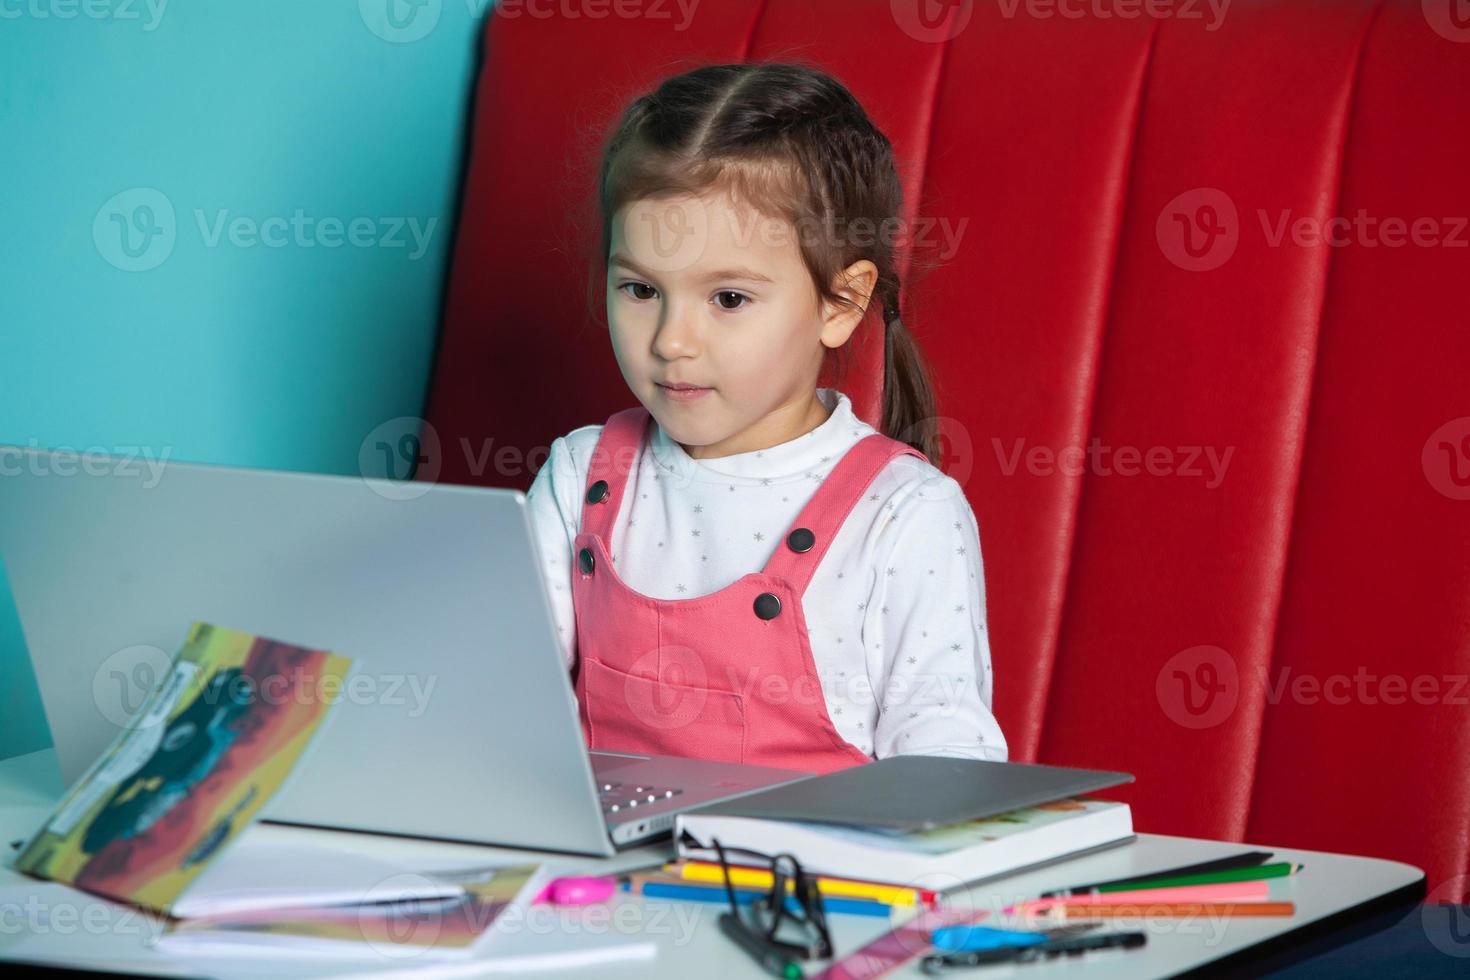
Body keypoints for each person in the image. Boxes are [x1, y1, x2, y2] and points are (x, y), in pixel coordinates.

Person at [527, 62, 1005, 774]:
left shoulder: (904, 514)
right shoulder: (581, 475)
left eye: (727, 299)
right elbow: (512, 702)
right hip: (611, 880)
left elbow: (946, 770)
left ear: (840, 304)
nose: (671, 341)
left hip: (815, 882)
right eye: (640, 289)